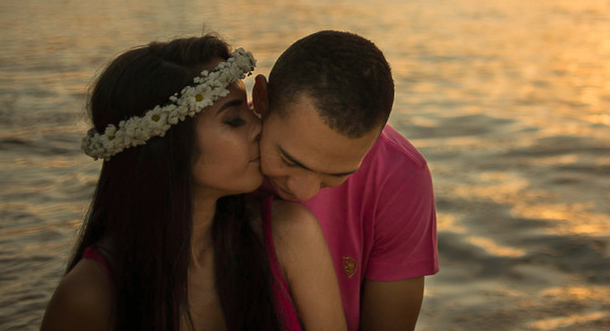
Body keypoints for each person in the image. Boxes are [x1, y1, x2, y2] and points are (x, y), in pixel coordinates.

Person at [40, 35, 345, 331]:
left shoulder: (288, 235)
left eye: (250, 110)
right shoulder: (90, 295)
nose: (258, 127)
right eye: (234, 120)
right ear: (170, 148)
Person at [251, 30, 439, 331]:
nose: (303, 191)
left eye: (337, 175)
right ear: (260, 98)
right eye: (288, 161)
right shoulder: (211, 155)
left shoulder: (398, 176)